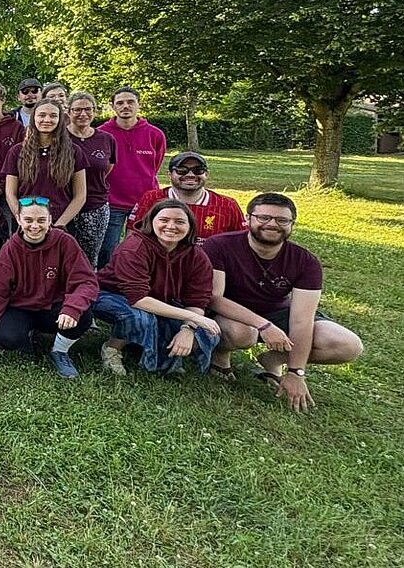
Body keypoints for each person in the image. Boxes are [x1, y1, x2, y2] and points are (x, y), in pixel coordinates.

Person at [204, 193, 364, 412]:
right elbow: (214, 299)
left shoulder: (305, 261)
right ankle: (221, 356)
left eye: (282, 220)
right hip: (231, 315)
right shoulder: (220, 245)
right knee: (244, 333)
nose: (272, 224)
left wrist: (296, 372)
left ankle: (274, 359)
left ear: (291, 224)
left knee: (348, 346)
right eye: (263, 218)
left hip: (278, 312)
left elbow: (301, 320)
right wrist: (264, 325)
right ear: (248, 219)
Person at [95, 199, 220, 376]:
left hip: (159, 300)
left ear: (190, 226)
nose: (171, 226)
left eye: (179, 221)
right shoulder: (133, 248)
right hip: (110, 295)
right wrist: (193, 317)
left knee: (207, 331)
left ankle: (152, 349)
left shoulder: (197, 256)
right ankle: (112, 348)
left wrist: (188, 328)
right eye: (164, 220)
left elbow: (197, 300)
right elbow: (138, 299)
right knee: (142, 317)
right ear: (151, 221)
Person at [0, 198, 99, 378]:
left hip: (55, 308)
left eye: (41, 220)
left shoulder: (65, 242)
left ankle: (59, 351)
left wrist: (72, 308)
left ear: (50, 219)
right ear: (18, 219)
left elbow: (86, 281)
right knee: (6, 336)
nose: (34, 226)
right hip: (21, 308)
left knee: (83, 314)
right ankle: (28, 342)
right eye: (28, 220)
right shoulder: (9, 250)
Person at [97, 87, 168, 265]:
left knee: (142, 250)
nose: (125, 106)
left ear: (138, 105)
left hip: (145, 203)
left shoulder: (155, 134)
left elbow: (155, 166)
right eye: (120, 103)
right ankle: (107, 281)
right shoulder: (102, 134)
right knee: (107, 250)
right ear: (113, 106)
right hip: (112, 202)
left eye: (130, 102)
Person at [3, 101, 87, 228]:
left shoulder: (74, 151)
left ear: (60, 119)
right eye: (42, 115)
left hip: (61, 223)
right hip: (26, 225)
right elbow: (10, 193)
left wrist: (59, 225)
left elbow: (80, 195)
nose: (47, 120)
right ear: (34, 118)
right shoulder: (17, 152)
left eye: (53, 115)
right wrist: (23, 219)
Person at [128, 152, 245, 240]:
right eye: (182, 170)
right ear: (170, 174)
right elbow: (133, 236)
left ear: (207, 174)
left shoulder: (227, 205)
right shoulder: (152, 199)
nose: (190, 174)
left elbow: (242, 242)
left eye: (198, 170)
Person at [64, 90, 116, 266]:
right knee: (63, 255)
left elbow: (107, 167)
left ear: (95, 111)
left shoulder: (106, 139)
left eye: (88, 109)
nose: (83, 114)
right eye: (77, 110)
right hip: (64, 205)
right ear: (69, 111)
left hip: (95, 206)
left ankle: (88, 282)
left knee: (89, 257)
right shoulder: (60, 138)